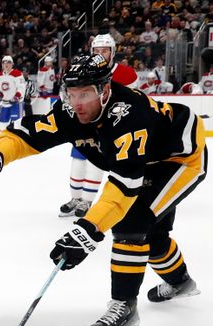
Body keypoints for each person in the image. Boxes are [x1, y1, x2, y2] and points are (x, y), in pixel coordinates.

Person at [0, 54, 206, 326]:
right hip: (142, 160)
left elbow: (125, 185)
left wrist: (88, 230)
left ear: (105, 90)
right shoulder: (70, 111)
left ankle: (125, 310)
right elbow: (30, 135)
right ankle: (181, 283)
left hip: (178, 159)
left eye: (85, 94)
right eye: (72, 94)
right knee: (153, 235)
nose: (76, 102)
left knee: (131, 224)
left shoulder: (129, 115)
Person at [60, 34, 138, 219]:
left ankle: (87, 201)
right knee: (77, 163)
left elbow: (135, 101)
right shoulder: (84, 70)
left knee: (95, 164)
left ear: (113, 52)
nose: (101, 54)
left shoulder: (127, 74)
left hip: (109, 128)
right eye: (97, 51)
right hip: (85, 125)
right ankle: (75, 199)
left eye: (104, 51)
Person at [0, 56, 26, 130]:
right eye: (4, 62)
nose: (6, 64)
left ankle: (18, 140)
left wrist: (16, 97)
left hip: (16, 103)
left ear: (12, 64)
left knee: (17, 123)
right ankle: (3, 139)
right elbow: (1, 88)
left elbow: (21, 87)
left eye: (8, 62)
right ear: (2, 64)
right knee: (2, 123)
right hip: (4, 103)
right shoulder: (1, 75)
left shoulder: (17, 73)